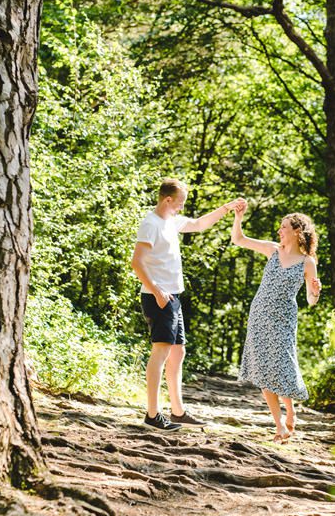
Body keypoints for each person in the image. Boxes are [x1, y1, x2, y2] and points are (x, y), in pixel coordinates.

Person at [130, 178, 242, 430]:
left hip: (173, 297)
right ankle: (152, 414)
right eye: (180, 203)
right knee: (160, 353)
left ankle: (178, 412)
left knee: (177, 352)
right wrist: (157, 290)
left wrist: (227, 208)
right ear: (168, 200)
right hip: (158, 297)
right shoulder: (151, 224)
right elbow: (137, 262)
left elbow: (200, 224)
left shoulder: (170, 221)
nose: (182, 207)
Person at [228, 206, 321, 441]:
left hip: (283, 318)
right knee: (263, 367)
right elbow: (238, 239)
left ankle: (290, 411)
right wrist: (238, 217)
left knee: (282, 364)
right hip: (259, 314)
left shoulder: (307, 263)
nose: (279, 230)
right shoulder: (272, 250)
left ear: (297, 231)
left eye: (284, 227)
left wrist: (315, 292)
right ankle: (279, 424)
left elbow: (311, 301)